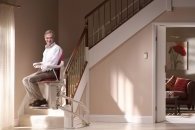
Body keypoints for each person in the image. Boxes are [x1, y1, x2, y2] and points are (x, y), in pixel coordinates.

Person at [22, 29, 63, 107]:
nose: (49, 40)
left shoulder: (57, 48)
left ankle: (41, 100)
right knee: (24, 80)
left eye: (50, 38)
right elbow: (45, 62)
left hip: (52, 72)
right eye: (47, 38)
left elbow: (52, 63)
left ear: (53, 38)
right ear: (45, 38)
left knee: (31, 80)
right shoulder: (46, 49)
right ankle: (37, 99)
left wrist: (42, 66)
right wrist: (39, 63)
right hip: (44, 70)